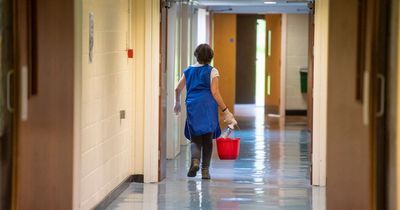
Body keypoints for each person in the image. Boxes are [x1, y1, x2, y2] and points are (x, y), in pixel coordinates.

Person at [174, 43, 237, 179]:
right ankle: (205, 171)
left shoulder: (188, 70)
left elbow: (177, 88)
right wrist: (225, 110)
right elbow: (214, 92)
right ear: (210, 57)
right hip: (208, 105)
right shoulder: (213, 71)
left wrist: (177, 103)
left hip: (193, 105)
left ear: (196, 55)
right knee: (207, 140)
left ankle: (195, 161)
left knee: (195, 138)